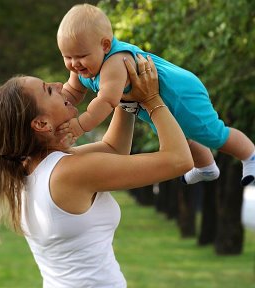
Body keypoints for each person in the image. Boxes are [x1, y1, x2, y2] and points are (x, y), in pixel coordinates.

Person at [0, 55, 193, 287]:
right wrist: (151, 99)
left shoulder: (34, 168)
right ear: (42, 124)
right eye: (47, 90)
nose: (58, 84)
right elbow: (179, 160)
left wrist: (122, 94)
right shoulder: (67, 172)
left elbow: (113, 150)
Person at [57, 3, 255, 186]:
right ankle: (206, 167)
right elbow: (72, 92)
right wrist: (56, 103)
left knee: (211, 132)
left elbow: (107, 101)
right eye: (67, 57)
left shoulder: (115, 62)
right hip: (154, 101)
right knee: (179, 135)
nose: (74, 63)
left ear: (105, 46)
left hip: (181, 93)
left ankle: (249, 155)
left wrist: (80, 125)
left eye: (81, 56)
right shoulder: (81, 68)